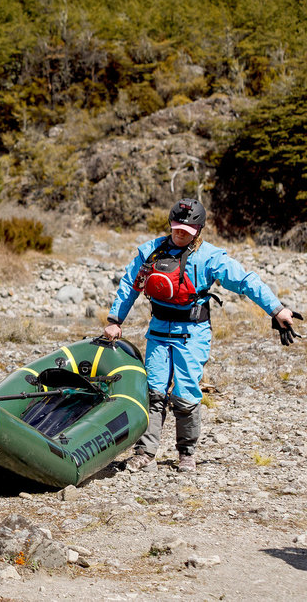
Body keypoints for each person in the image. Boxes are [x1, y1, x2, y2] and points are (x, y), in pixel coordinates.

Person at [103, 198, 299, 474]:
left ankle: (186, 454)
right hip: (158, 332)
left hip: (192, 335)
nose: (180, 234)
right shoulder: (151, 252)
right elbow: (129, 285)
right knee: (154, 392)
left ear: (198, 230)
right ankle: (145, 452)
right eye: (176, 229)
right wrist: (115, 320)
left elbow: (246, 281)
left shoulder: (210, 257)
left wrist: (277, 309)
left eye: (187, 231)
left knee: (185, 395)